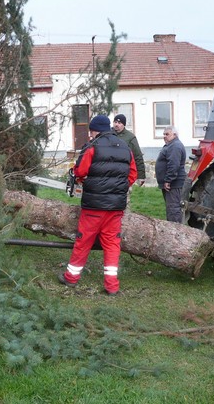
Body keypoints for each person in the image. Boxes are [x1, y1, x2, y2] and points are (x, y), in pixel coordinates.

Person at [58, 115, 137, 296]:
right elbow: (132, 174)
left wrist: (81, 179)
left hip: (94, 207)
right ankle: (111, 286)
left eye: (91, 131)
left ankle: (71, 278)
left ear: (95, 130)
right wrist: (119, 188)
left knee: (83, 241)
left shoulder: (92, 147)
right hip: (115, 208)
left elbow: (81, 171)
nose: (90, 135)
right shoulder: (125, 147)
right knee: (111, 244)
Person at [155, 126, 187, 223]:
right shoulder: (171, 145)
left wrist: (168, 180)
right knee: (172, 209)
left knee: (174, 210)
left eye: (167, 134)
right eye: (164, 134)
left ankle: (176, 233)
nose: (164, 136)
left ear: (175, 135)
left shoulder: (175, 146)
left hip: (174, 184)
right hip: (172, 183)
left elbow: (173, 164)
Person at [113, 114, 146, 186]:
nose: (116, 124)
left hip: (124, 173)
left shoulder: (130, 137)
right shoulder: (108, 134)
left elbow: (137, 156)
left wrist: (141, 176)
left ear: (123, 125)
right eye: (115, 122)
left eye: (119, 123)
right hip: (110, 173)